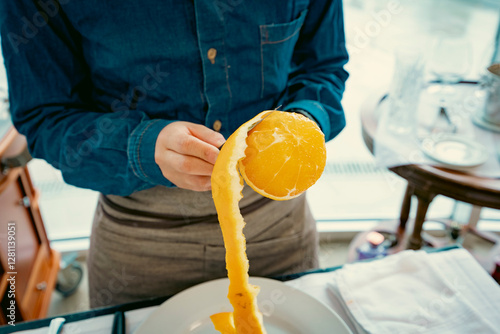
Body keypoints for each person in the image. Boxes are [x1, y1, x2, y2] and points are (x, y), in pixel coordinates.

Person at [0, 0, 348, 308]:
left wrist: (301, 124)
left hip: (277, 225)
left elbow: (323, 66)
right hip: (140, 241)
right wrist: (142, 145)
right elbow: (45, 116)